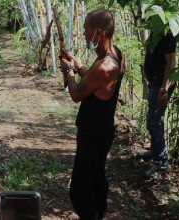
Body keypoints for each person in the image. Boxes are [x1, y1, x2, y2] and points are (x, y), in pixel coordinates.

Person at [59, 9, 125, 220]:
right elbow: (93, 82)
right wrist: (76, 63)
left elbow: (77, 94)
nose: (86, 36)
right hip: (100, 131)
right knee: (96, 178)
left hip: (94, 134)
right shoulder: (115, 55)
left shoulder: (106, 66)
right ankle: (99, 213)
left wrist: (68, 72)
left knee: (80, 188)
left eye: (87, 32)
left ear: (99, 32)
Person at [136, 32, 176, 178]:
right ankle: (155, 152)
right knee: (154, 122)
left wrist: (164, 88)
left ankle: (161, 163)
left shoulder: (166, 34)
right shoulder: (155, 33)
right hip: (155, 84)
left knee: (154, 122)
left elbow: (171, 63)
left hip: (161, 86)